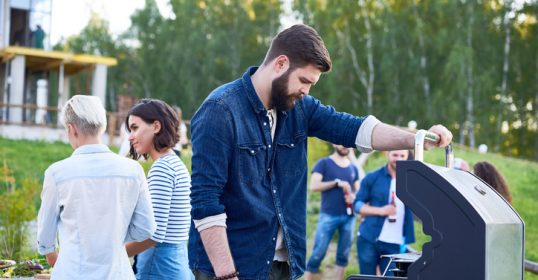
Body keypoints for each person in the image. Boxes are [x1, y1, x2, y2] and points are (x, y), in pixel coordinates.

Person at [188, 24, 452, 280]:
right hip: (230, 267)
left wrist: (417, 138)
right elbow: (205, 201)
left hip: (282, 264)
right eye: (304, 80)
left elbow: (356, 129)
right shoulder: (220, 111)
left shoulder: (300, 107)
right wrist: (226, 275)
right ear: (280, 64)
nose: (306, 91)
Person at [36, 95, 156, 279]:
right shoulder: (133, 170)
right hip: (118, 273)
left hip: (72, 273)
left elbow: (45, 237)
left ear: (71, 129)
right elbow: (146, 228)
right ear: (103, 126)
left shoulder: (57, 173)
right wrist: (114, 236)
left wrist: (53, 257)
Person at [124, 99, 193, 280]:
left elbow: (154, 234)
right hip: (174, 264)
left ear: (156, 126)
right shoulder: (175, 164)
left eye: (135, 128)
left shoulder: (162, 168)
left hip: (160, 267)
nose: (130, 137)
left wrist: (115, 255)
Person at [353, 150, 415, 276]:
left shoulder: (412, 182)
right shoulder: (372, 177)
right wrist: (381, 211)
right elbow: (357, 205)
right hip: (369, 238)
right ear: (387, 154)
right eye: (395, 155)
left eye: (402, 155)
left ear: (407, 156)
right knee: (367, 279)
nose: (398, 159)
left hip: (395, 243)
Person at [304, 144, 359, 280]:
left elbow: (358, 192)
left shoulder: (353, 168)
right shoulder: (323, 163)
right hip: (328, 215)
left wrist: (353, 196)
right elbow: (313, 186)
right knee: (319, 251)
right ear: (334, 143)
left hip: (349, 216)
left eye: (348, 143)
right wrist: (336, 183)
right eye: (341, 142)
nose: (345, 145)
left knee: (344, 253)